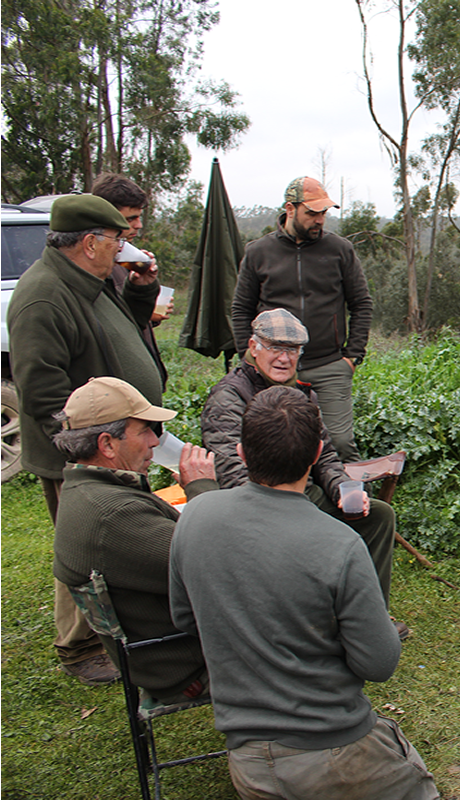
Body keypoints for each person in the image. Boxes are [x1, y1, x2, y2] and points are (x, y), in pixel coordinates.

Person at [170, 387, 438, 800]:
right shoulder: (341, 544)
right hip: (335, 752)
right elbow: (379, 662)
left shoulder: (195, 516)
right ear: (316, 454)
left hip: (249, 763)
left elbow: (186, 618)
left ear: (240, 453)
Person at [8, 194, 164, 685]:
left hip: (117, 441)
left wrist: (140, 292)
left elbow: (122, 337)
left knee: (110, 541)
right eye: (117, 238)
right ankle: (77, 646)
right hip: (82, 453)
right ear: (91, 242)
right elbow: (42, 394)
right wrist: (90, 451)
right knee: (82, 546)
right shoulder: (43, 297)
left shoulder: (91, 281)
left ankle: (109, 628)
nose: (124, 246)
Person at [201, 309, 397, 608]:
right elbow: (231, 471)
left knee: (379, 516)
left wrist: (344, 490)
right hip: (260, 505)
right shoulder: (229, 398)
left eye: (292, 349)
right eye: (274, 348)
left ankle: (368, 613)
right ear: (253, 347)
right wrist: (286, 512)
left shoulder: (304, 395)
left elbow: (327, 455)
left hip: (307, 495)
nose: (284, 358)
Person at [52, 377, 215, 702]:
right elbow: (213, 562)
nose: (155, 441)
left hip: (172, 647)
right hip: (190, 660)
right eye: (144, 430)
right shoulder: (112, 515)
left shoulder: (85, 490)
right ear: (107, 445)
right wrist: (202, 489)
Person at [230, 176, 372, 462]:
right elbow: (241, 309)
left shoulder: (339, 250)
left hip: (328, 365)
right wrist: (250, 356)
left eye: (323, 213)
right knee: (278, 445)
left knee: (341, 444)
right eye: (312, 213)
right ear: (290, 209)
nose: (319, 220)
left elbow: (362, 303)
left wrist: (351, 357)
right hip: (275, 367)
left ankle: (354, 504)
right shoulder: (258, 252)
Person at [91, 173, 172, 387]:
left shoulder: (125, 259)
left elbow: (129, 318)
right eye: (130, 219)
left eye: (139, 217)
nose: (138, 225)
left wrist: (147, 303)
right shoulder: (93, 269)